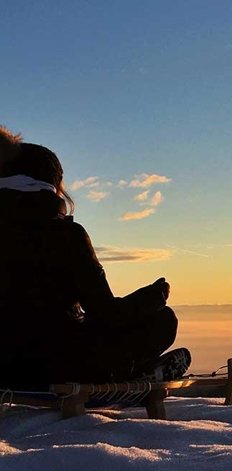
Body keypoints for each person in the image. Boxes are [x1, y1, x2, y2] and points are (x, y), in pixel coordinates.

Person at [0, 129, 190, 388]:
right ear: (52, 186)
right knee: (164, 320)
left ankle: (135, 369)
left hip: (6, 371)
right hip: (59, 370)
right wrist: (152, 297)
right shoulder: (67, 235)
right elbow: (106, 314)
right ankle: (132, 373)